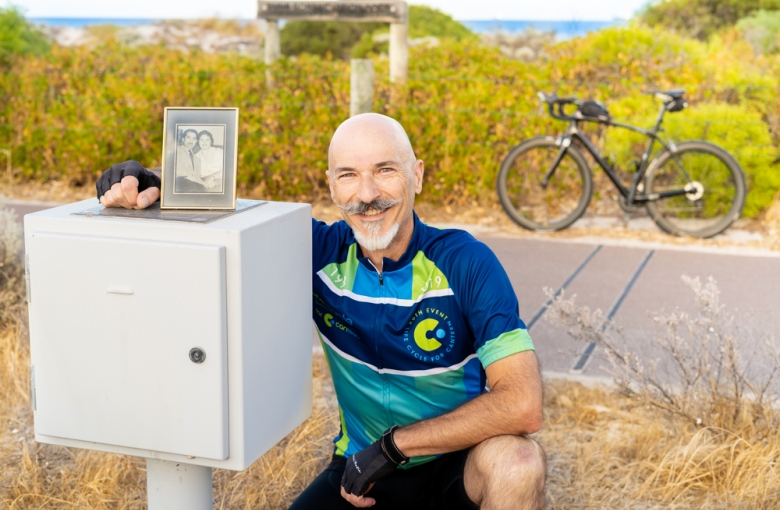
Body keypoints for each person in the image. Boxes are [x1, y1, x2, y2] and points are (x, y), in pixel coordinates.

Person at [96, 114, 546, 510]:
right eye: (349, 175)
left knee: (519, 462)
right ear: (331, 185)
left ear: (418, 175)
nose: (367, 194)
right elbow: (226, 213)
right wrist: (151, 180)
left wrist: (393, 447)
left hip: (456, 467)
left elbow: (523, 404)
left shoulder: (466, 261)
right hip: (363, 476)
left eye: (385, 170)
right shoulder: (317, 252)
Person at [174, 128, 207, 193]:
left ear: (196, 141)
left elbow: (197, 177)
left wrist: (205, 184)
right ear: (183, 139)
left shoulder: (197, 159)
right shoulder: (176, 150)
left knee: (202, 188)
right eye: (188, 138)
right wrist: (189, 176)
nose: (191, 141)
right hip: (178, 181)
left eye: (194, 139)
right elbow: (175, 167)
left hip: (192, 184)